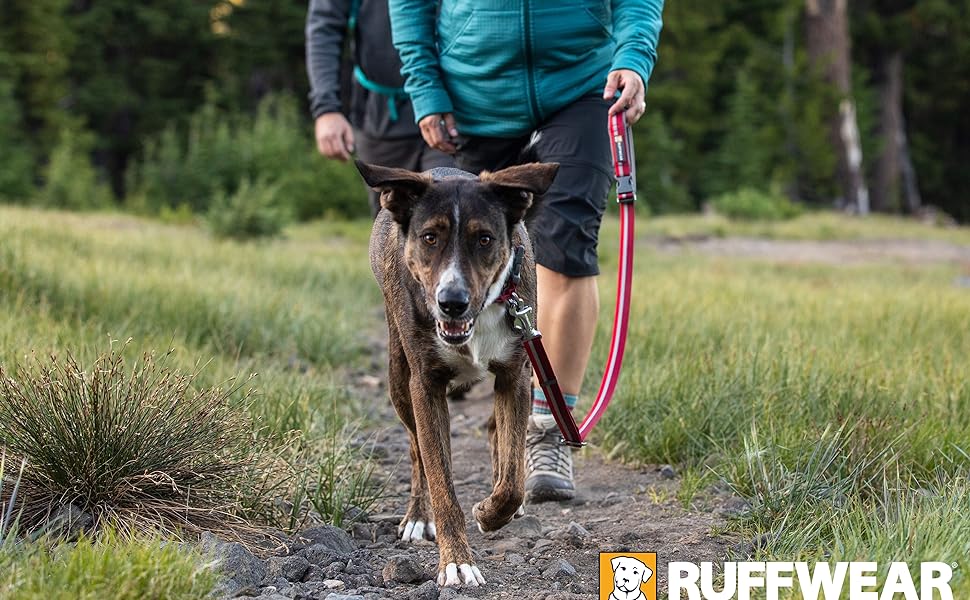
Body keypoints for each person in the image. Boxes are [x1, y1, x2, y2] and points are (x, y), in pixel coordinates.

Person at [389, 0, 664, 502]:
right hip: (470, 98)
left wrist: (633, 54)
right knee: (446, 248)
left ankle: (547, 429)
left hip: (581, 88)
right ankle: (462, 375)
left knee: (568, 247)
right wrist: (425, 87)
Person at [305, 0, 453, 217]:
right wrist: (326, 109)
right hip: (379, 114)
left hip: (449, 109)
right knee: (390, 224)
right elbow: (324, 27)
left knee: (447, 209)